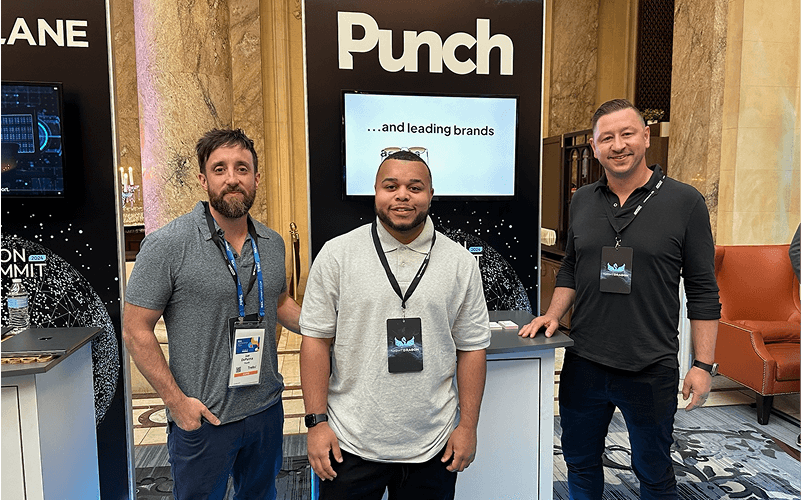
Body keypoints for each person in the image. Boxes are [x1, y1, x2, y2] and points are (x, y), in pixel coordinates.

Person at [519, 99, 721, 500]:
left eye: (627, 133)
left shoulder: (685, 203)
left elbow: (703, 289)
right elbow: (572, 268)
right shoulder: (582, 201)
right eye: (606, 137)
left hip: (650, 366)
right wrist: (553, 314)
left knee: (653, 471)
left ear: (646, 138)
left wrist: (702, 364)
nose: (618, 145)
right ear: (594, 147)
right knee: (579, 462)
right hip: (586, 361)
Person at [299, 150, 491, 499]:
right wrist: (316, 423)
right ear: (375, 191)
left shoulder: (461, 263)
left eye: (415, 187)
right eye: (391, 186)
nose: (402, 195)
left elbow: (473, 347)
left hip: (434, 443)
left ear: (431, 195)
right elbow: (315, 341)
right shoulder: (337, 255)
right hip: (350, 441)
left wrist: (468, 426)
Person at [123, 128, 301, 499]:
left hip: (265, 410)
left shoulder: (271, 243)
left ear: (256, 177)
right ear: (204, 179)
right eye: (220, 169)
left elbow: (280, 302)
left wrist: (332, 326)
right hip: (204, 418)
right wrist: (176, 404)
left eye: (242, 168)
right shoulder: (168, 244)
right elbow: (135, 329)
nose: (232, 178)